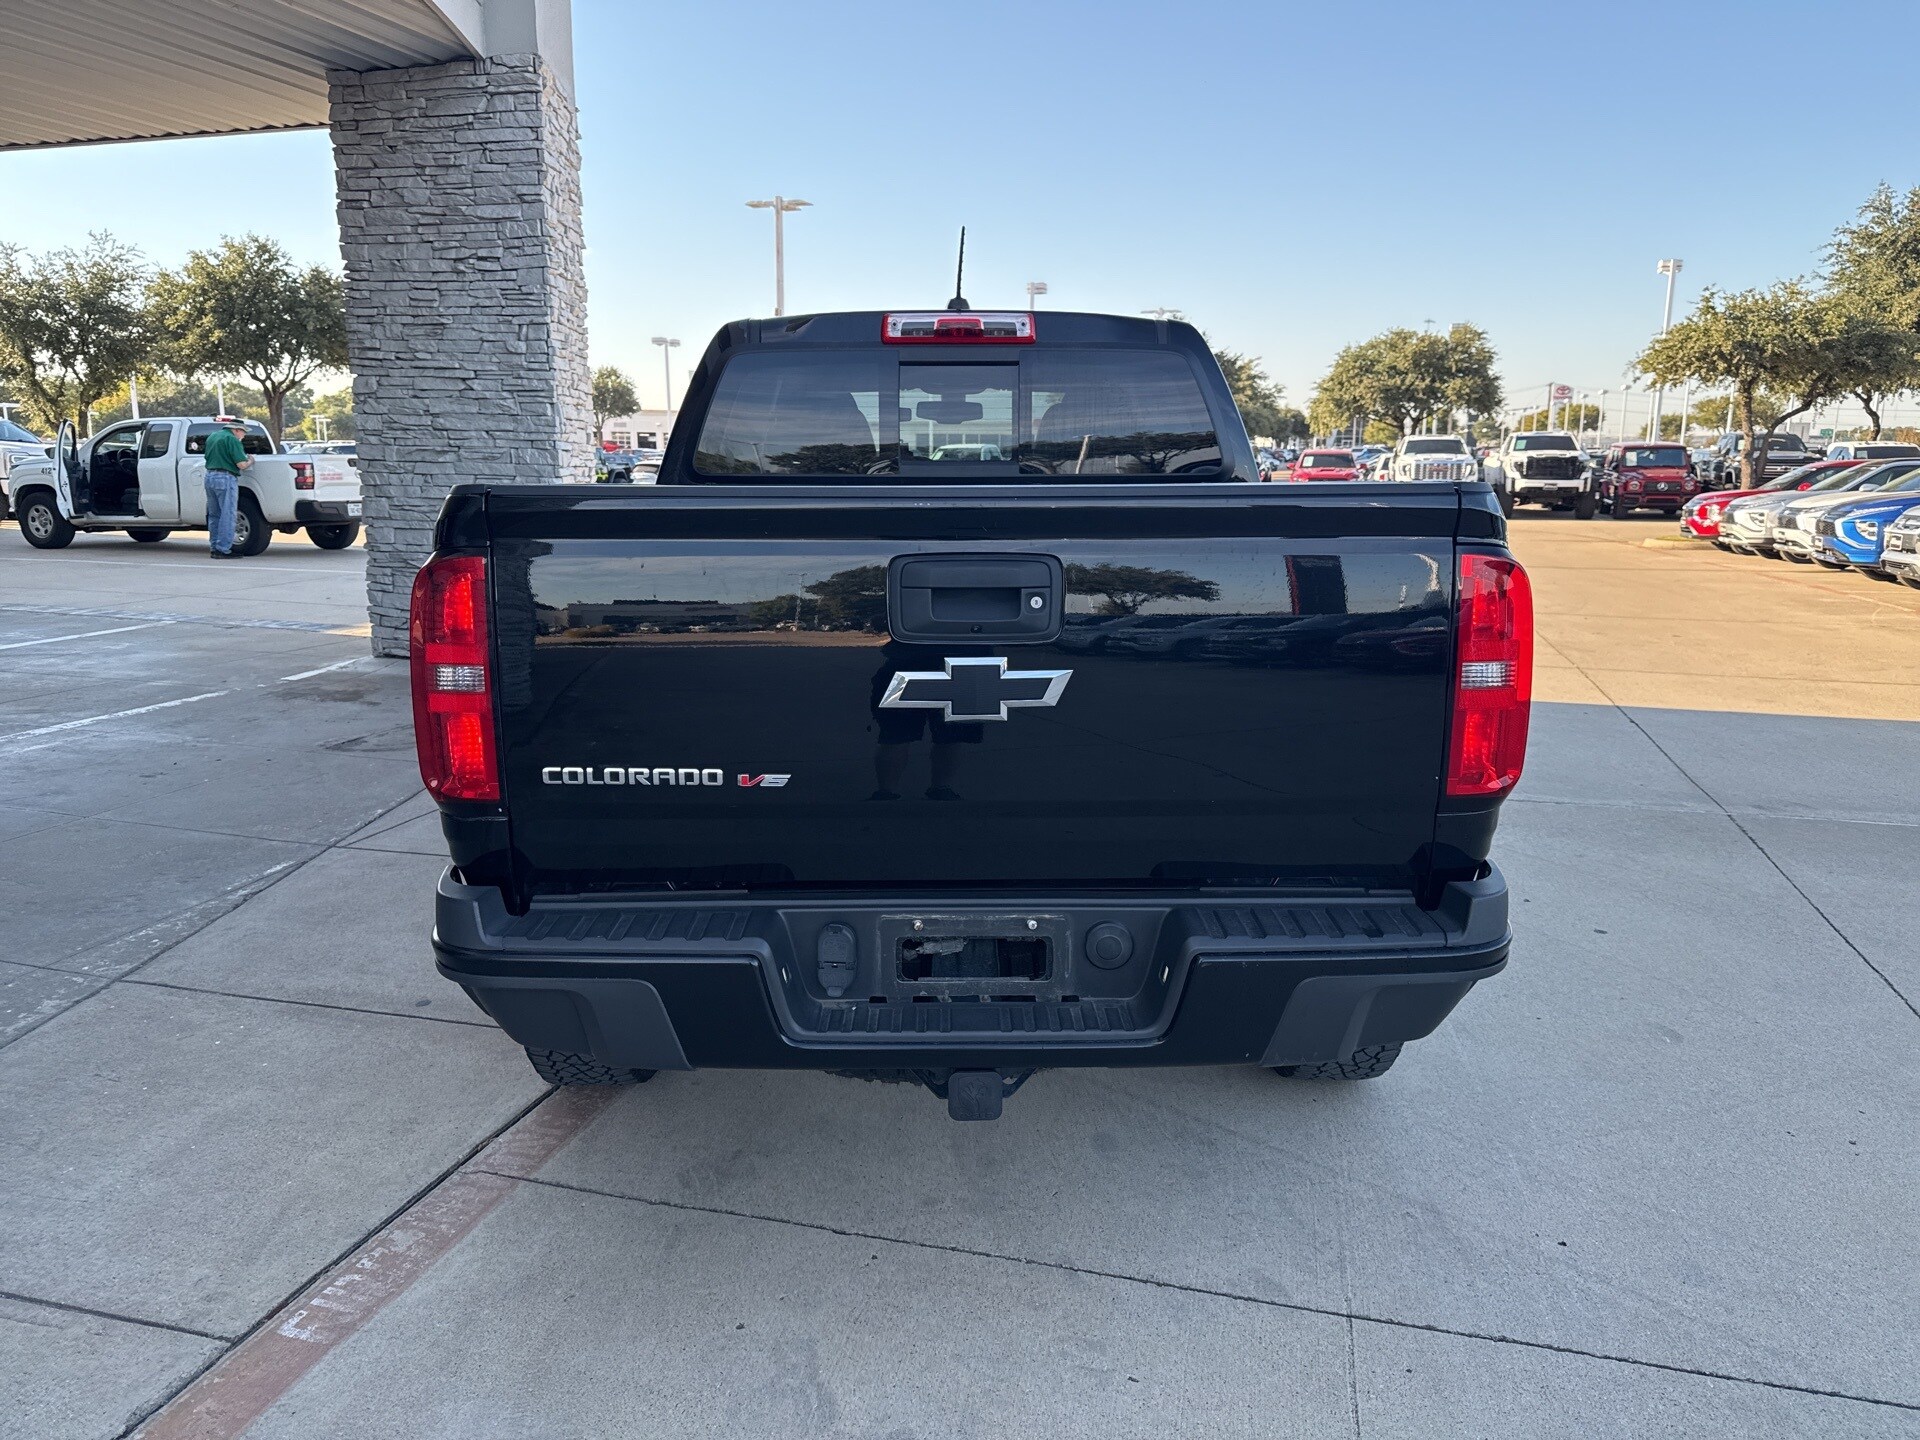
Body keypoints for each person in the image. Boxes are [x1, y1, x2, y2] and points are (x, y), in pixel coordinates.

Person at [203, 417, 252, 558]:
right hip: (225, 478)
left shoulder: (213, 436)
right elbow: (241, 464)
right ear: (236, 430)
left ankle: (214, 547)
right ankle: (223, 549)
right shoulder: (232, 440)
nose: (244, 436)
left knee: (214, 515)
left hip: (209, 476)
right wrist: (250, 460)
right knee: (228, 514)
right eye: (243, 432)